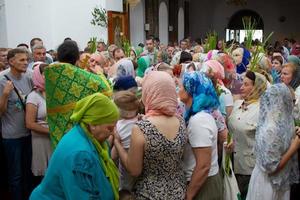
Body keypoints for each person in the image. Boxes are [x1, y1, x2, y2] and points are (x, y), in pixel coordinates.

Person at [30, 93, 120, 200]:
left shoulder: (84, 133)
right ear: (93, 125)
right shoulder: (80, 155)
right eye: (109, 128)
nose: (113, 133)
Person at [114, 71, 187, 199]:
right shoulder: (181, 121)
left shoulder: (142, 128)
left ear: (149, 93)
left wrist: (117, 142)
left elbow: (134, 169)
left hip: (149, 193)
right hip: (178, 190)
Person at [246, 84, 300, 200]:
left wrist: (293, 133)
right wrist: (294, 146)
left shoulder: (280, 121)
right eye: (292, 100)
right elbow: (272, 169)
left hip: (280, 182)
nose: (294, 104)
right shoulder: (271, 129)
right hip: (269, 185)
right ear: (281, 102)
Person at [179, 71, 223, 200]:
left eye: (182, 86)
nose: (179, 89)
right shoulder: (197, 115)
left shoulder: (199, 121)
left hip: (203, 184)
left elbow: (203, 166)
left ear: (190, 91)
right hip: (202, 181)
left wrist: (189, 195)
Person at [228, 71, 267, 199]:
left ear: (256, 87)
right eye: (242, 84)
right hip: (231, 163)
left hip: (248, 167)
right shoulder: (238, 103)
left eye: (246, 84)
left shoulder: (262, 109)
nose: (241, 87)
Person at [0, 48, 33, 200]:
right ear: (11, 61)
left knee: (28, 173)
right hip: (11, 137)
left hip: (28, 133)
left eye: (26, 59)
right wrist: (5, 94)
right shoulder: (2, 80)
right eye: (21, 60)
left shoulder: (28, 77)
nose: (26, 63)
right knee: (16, 176)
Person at [25, 63, 51, 186]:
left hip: (55, 139)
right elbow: (29, 124)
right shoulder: (33, 96)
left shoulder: (55, 94)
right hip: (41, 140)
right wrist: (51, 131)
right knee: (45, 178)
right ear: (38, 76)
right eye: (46, 75)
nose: (50, 77)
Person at [113, 90, 140, 191]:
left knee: (125, 189)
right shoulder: (141, 120)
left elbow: (114, 155)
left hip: (126, 165)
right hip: (140, 163)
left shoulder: (118, 127)